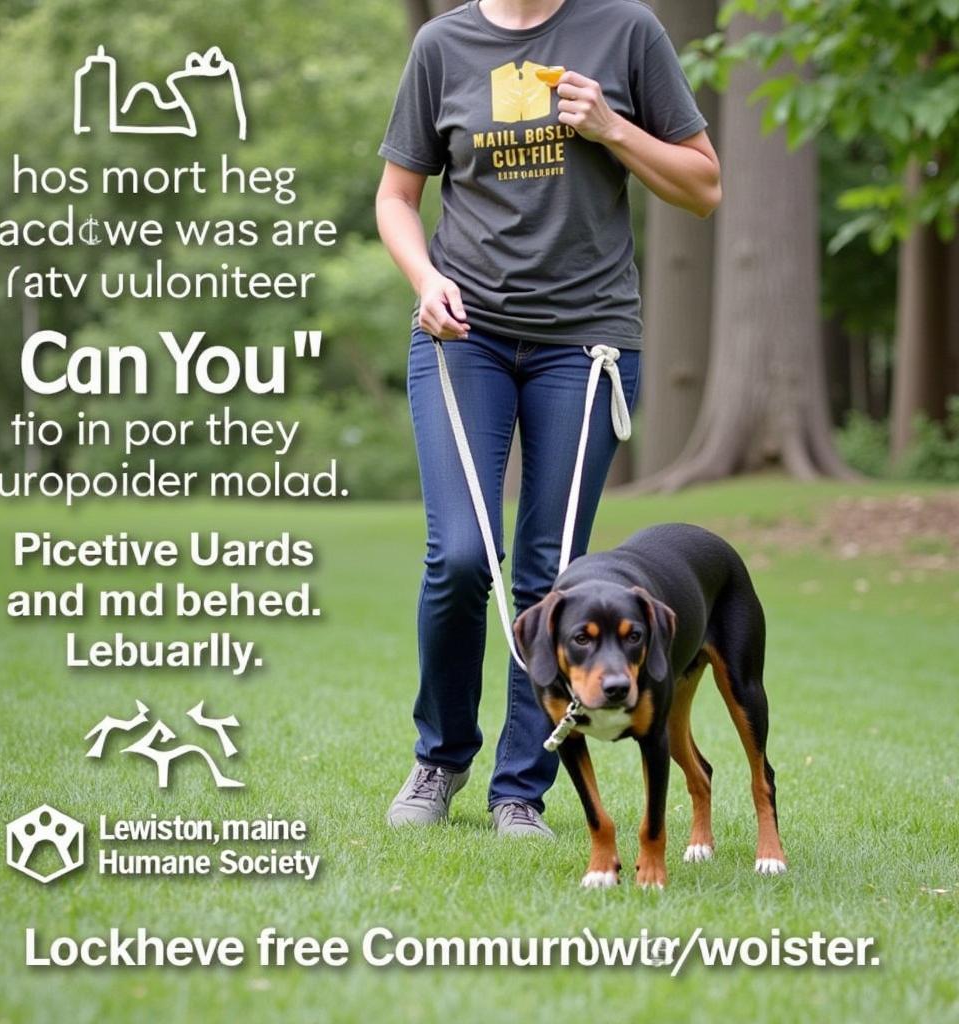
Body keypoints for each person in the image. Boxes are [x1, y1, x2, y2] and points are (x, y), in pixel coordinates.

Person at [375, 0, 720, 836]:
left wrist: (612, 128)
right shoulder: (442, 45)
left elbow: (703, 186)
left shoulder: (627, 32)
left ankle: (520, 790)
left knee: (554, 574)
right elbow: (395, 198)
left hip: (587, 345)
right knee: (460, 555)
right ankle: (441, 758)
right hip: (465, 336)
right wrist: (425, 280)